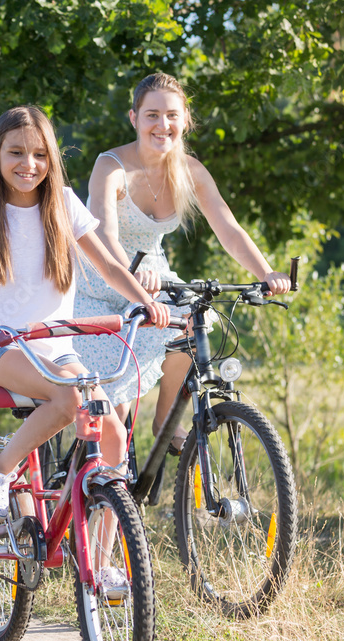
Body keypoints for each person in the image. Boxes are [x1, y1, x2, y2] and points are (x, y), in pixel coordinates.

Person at [0, 105, 170, 530]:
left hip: (59, 350)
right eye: (16, 153)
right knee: (69, 401)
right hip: (1, 349)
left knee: (115, 434)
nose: (29, 165)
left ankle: (103, 564)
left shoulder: (64, 204)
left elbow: (109, 268)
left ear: (52, 159)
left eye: (40, 155)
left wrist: (146, 303)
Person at [74, 73, 291, 452]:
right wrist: (130, 272)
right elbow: (104, 234)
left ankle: (166, 419)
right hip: (104, 282)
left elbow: (229, 229)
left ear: (185, 119)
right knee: (116, 421)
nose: (163, 125)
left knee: (198, 321)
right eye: (152, 115)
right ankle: (107, 488)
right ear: (134, 118)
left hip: (156, 277)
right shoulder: (110, 166)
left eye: (172, 115)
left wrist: (266, 273)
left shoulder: (190, 171)